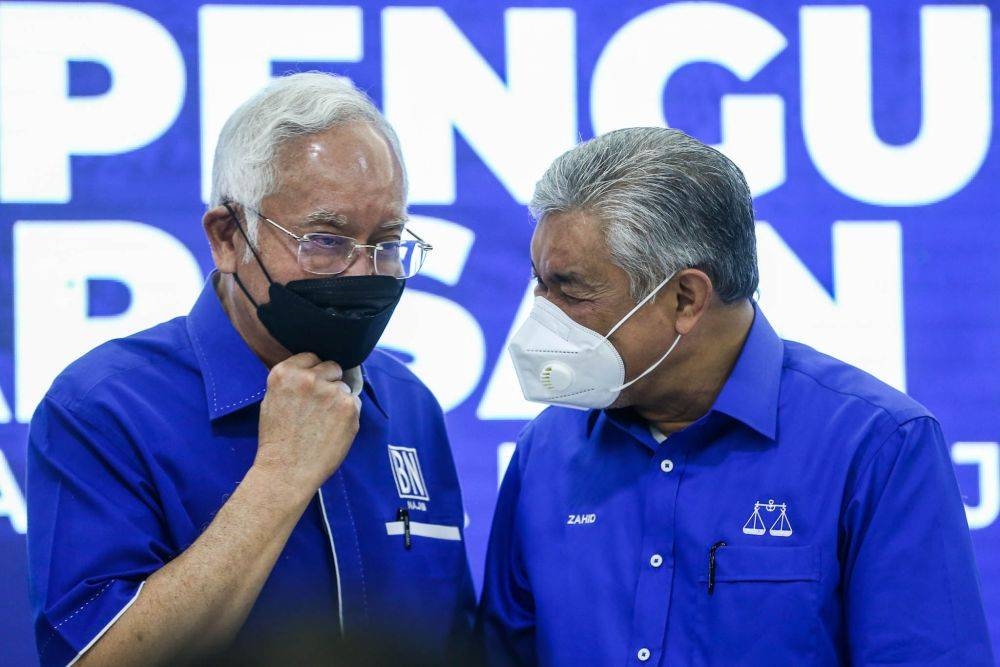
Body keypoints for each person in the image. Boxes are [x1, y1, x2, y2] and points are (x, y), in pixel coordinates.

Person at [478, 127, 994, 666]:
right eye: (540, 284)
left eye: (570, 290)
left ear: (686, 298)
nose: (542, 315)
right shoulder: (546, 451)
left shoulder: (877, 446)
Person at [27, 72, 475, 667]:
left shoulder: (408, 403)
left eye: (387, 242)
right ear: (228, 238)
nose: (363, 272)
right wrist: (280, 477)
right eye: (326, 241)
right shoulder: (103, 409)